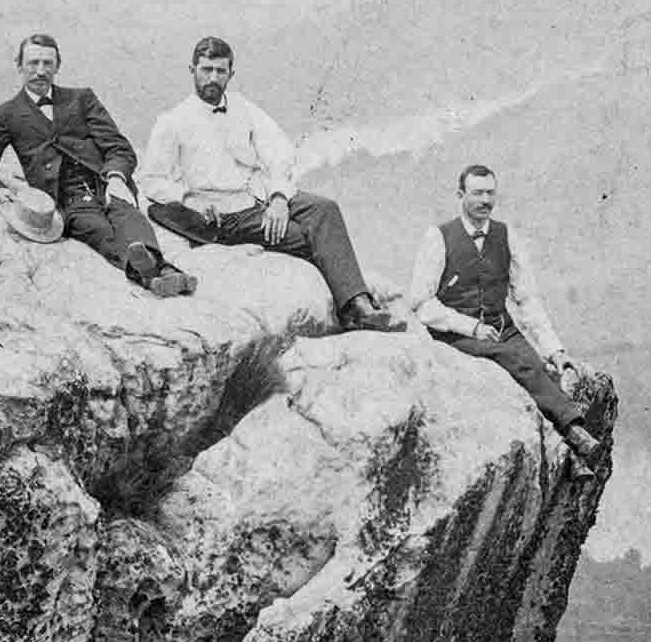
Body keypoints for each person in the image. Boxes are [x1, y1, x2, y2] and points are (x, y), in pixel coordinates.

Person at [140, 36, 400, 331]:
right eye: (206, 69)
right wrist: (187, 198)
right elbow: (152, 180)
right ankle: (353, 306)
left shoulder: (242, 108)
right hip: (223, 218)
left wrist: (278, 198)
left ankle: (357, 307)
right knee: (308, 237)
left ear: (231, 74)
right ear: (192, 70)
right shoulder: (173, 121)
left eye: (221, 71)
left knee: (325, 210)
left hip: (257, 198)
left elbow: (280, 152)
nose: (213, 78)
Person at [0, 34, 195, 298]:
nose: (40, 71)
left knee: (130, 217)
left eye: (48, 64)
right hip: (68, 200)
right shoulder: (6, 115)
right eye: (33, 63)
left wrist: (116, 177)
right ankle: (159, 274)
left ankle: (157, 272)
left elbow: (118, 146)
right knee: (98, 230)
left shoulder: (81, 99)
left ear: (57, 66)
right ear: (19, 66)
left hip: (105, 183)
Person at [408, 163, 603, 473]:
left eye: (490, 193)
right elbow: (420, 303)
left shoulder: (506, 235)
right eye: (477, 193)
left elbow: (526, 299)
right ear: (460, 195)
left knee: (541, 369)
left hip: (502, 328)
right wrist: (469, 326)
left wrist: (555, 350)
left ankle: (571, 457)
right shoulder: (439, 237)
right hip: (457, 333)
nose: (485, 201)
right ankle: (575, 433)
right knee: (517, 362)